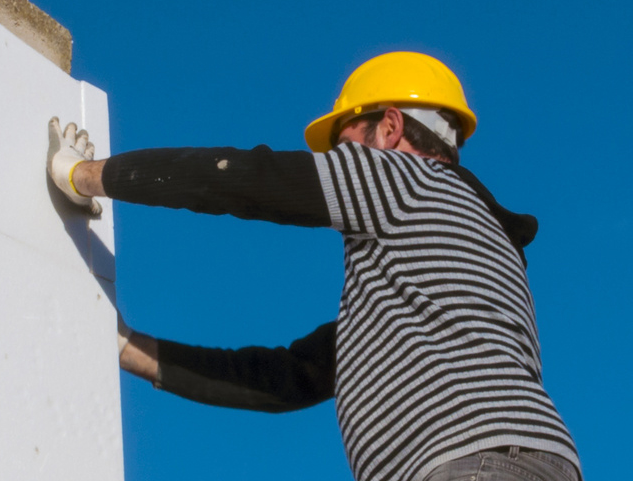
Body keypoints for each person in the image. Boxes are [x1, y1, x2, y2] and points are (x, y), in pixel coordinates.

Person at [46, 52, 580, 481]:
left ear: (390, 129)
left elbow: (242, 180)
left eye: (346, 142)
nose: (341, 160)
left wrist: (85, 176)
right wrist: (128, 348)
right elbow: (285, 379)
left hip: (474, 462)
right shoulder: (453, 263)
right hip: (522, 459)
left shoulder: (403, 181)